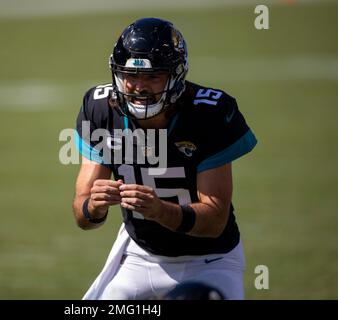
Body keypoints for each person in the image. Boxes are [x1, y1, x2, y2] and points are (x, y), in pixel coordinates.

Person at [72, 17, 257, 300]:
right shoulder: (100, 109)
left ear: (176, 75)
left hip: (211, 261)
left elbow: (215, 219)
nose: (138, 87)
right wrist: (93, 208)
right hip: (139, 256)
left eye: (152, 76)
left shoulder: (210, 113)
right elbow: (81, 213)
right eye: (130, 76)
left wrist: (159, 210)